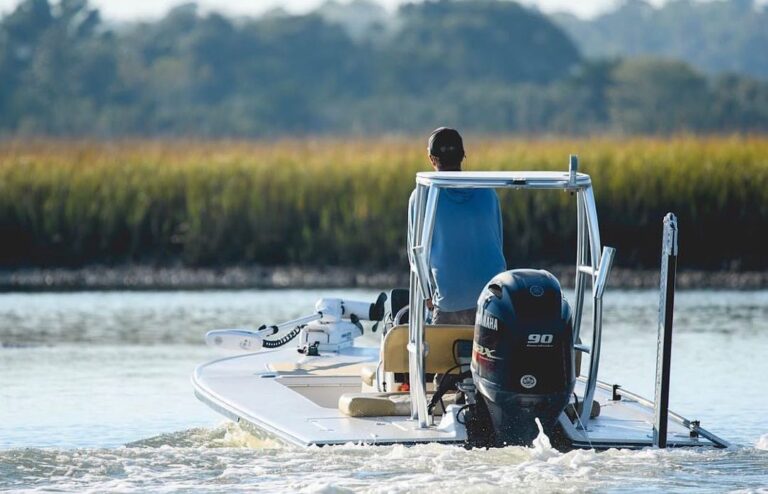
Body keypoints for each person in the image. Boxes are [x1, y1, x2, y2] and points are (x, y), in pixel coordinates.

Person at [408, 127, 506, 325]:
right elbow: (498, 242)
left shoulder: (421, 195)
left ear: (431, 158)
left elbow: (416, 257)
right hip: (494, 298)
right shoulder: (488, 192)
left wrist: (428, 297)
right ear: (463, 155)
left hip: (449, 301)